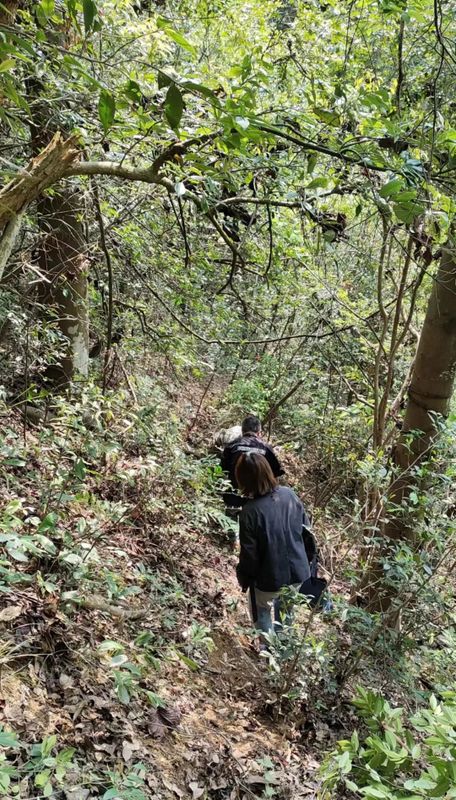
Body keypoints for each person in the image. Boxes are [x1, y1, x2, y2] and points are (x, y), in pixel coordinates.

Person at [235, 452, 311, 643]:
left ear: (243, 479)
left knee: (261, 611)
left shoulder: (249, 512)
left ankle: (269, 653)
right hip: (298, 571)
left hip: (269, 577)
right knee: (287, 612)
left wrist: (244, 577)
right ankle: (283, 653)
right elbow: (307, 532)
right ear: (268, 471)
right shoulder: (289, 494)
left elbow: (249, 555)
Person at [220, 415, 284, 514]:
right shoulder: (266, 448)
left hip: (233, 498)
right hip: (258, 500)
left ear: (242, 431)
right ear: (259, 432)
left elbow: (222, 470)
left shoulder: (231, 446)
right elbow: (276, 474)